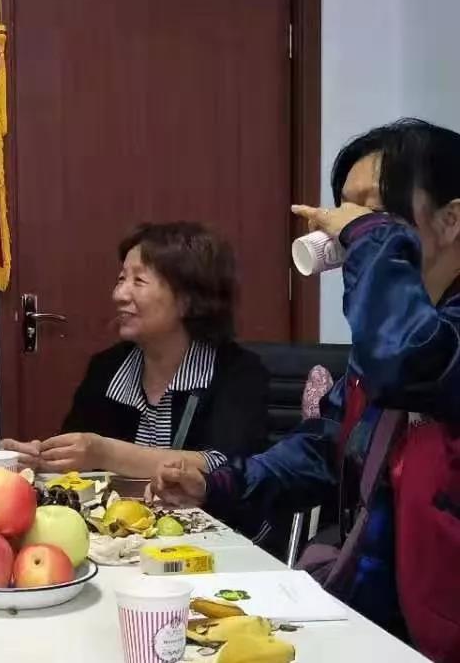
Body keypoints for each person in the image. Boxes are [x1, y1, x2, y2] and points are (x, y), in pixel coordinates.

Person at [150, 119, 460, 659]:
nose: (349, 228)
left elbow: (411, 365)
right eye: (346, 210)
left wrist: (370, 240)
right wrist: (218, 485)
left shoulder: (406, 344)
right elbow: (326, 449)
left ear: (450, 219)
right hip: (381, 624)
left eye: (373, 211)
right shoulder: (388, 338)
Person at [1, 222, 270, 478]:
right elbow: (80, 461)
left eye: (138, 281)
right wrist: (42, 459)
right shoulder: (107, 368)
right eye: (121, 279)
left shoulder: (238, 371)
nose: (119, 295)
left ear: (188, 299)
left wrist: (105, 454)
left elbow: (230, 467)